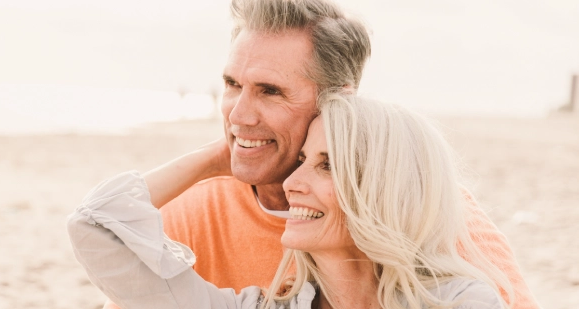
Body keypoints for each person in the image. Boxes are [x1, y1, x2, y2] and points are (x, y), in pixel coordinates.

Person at [100, 0, 539, 308]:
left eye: (270, 91)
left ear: (339, 101)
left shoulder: (419, 205)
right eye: (233, 85)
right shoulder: (192, 208)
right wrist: (217, 157)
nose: (239, 114)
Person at [68, 92, 512, 308]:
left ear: (382, 187)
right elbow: (96, 225)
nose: (293, 181)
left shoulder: (460, 302)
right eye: (300, 159)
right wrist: (219, 158)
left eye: (327, 164)